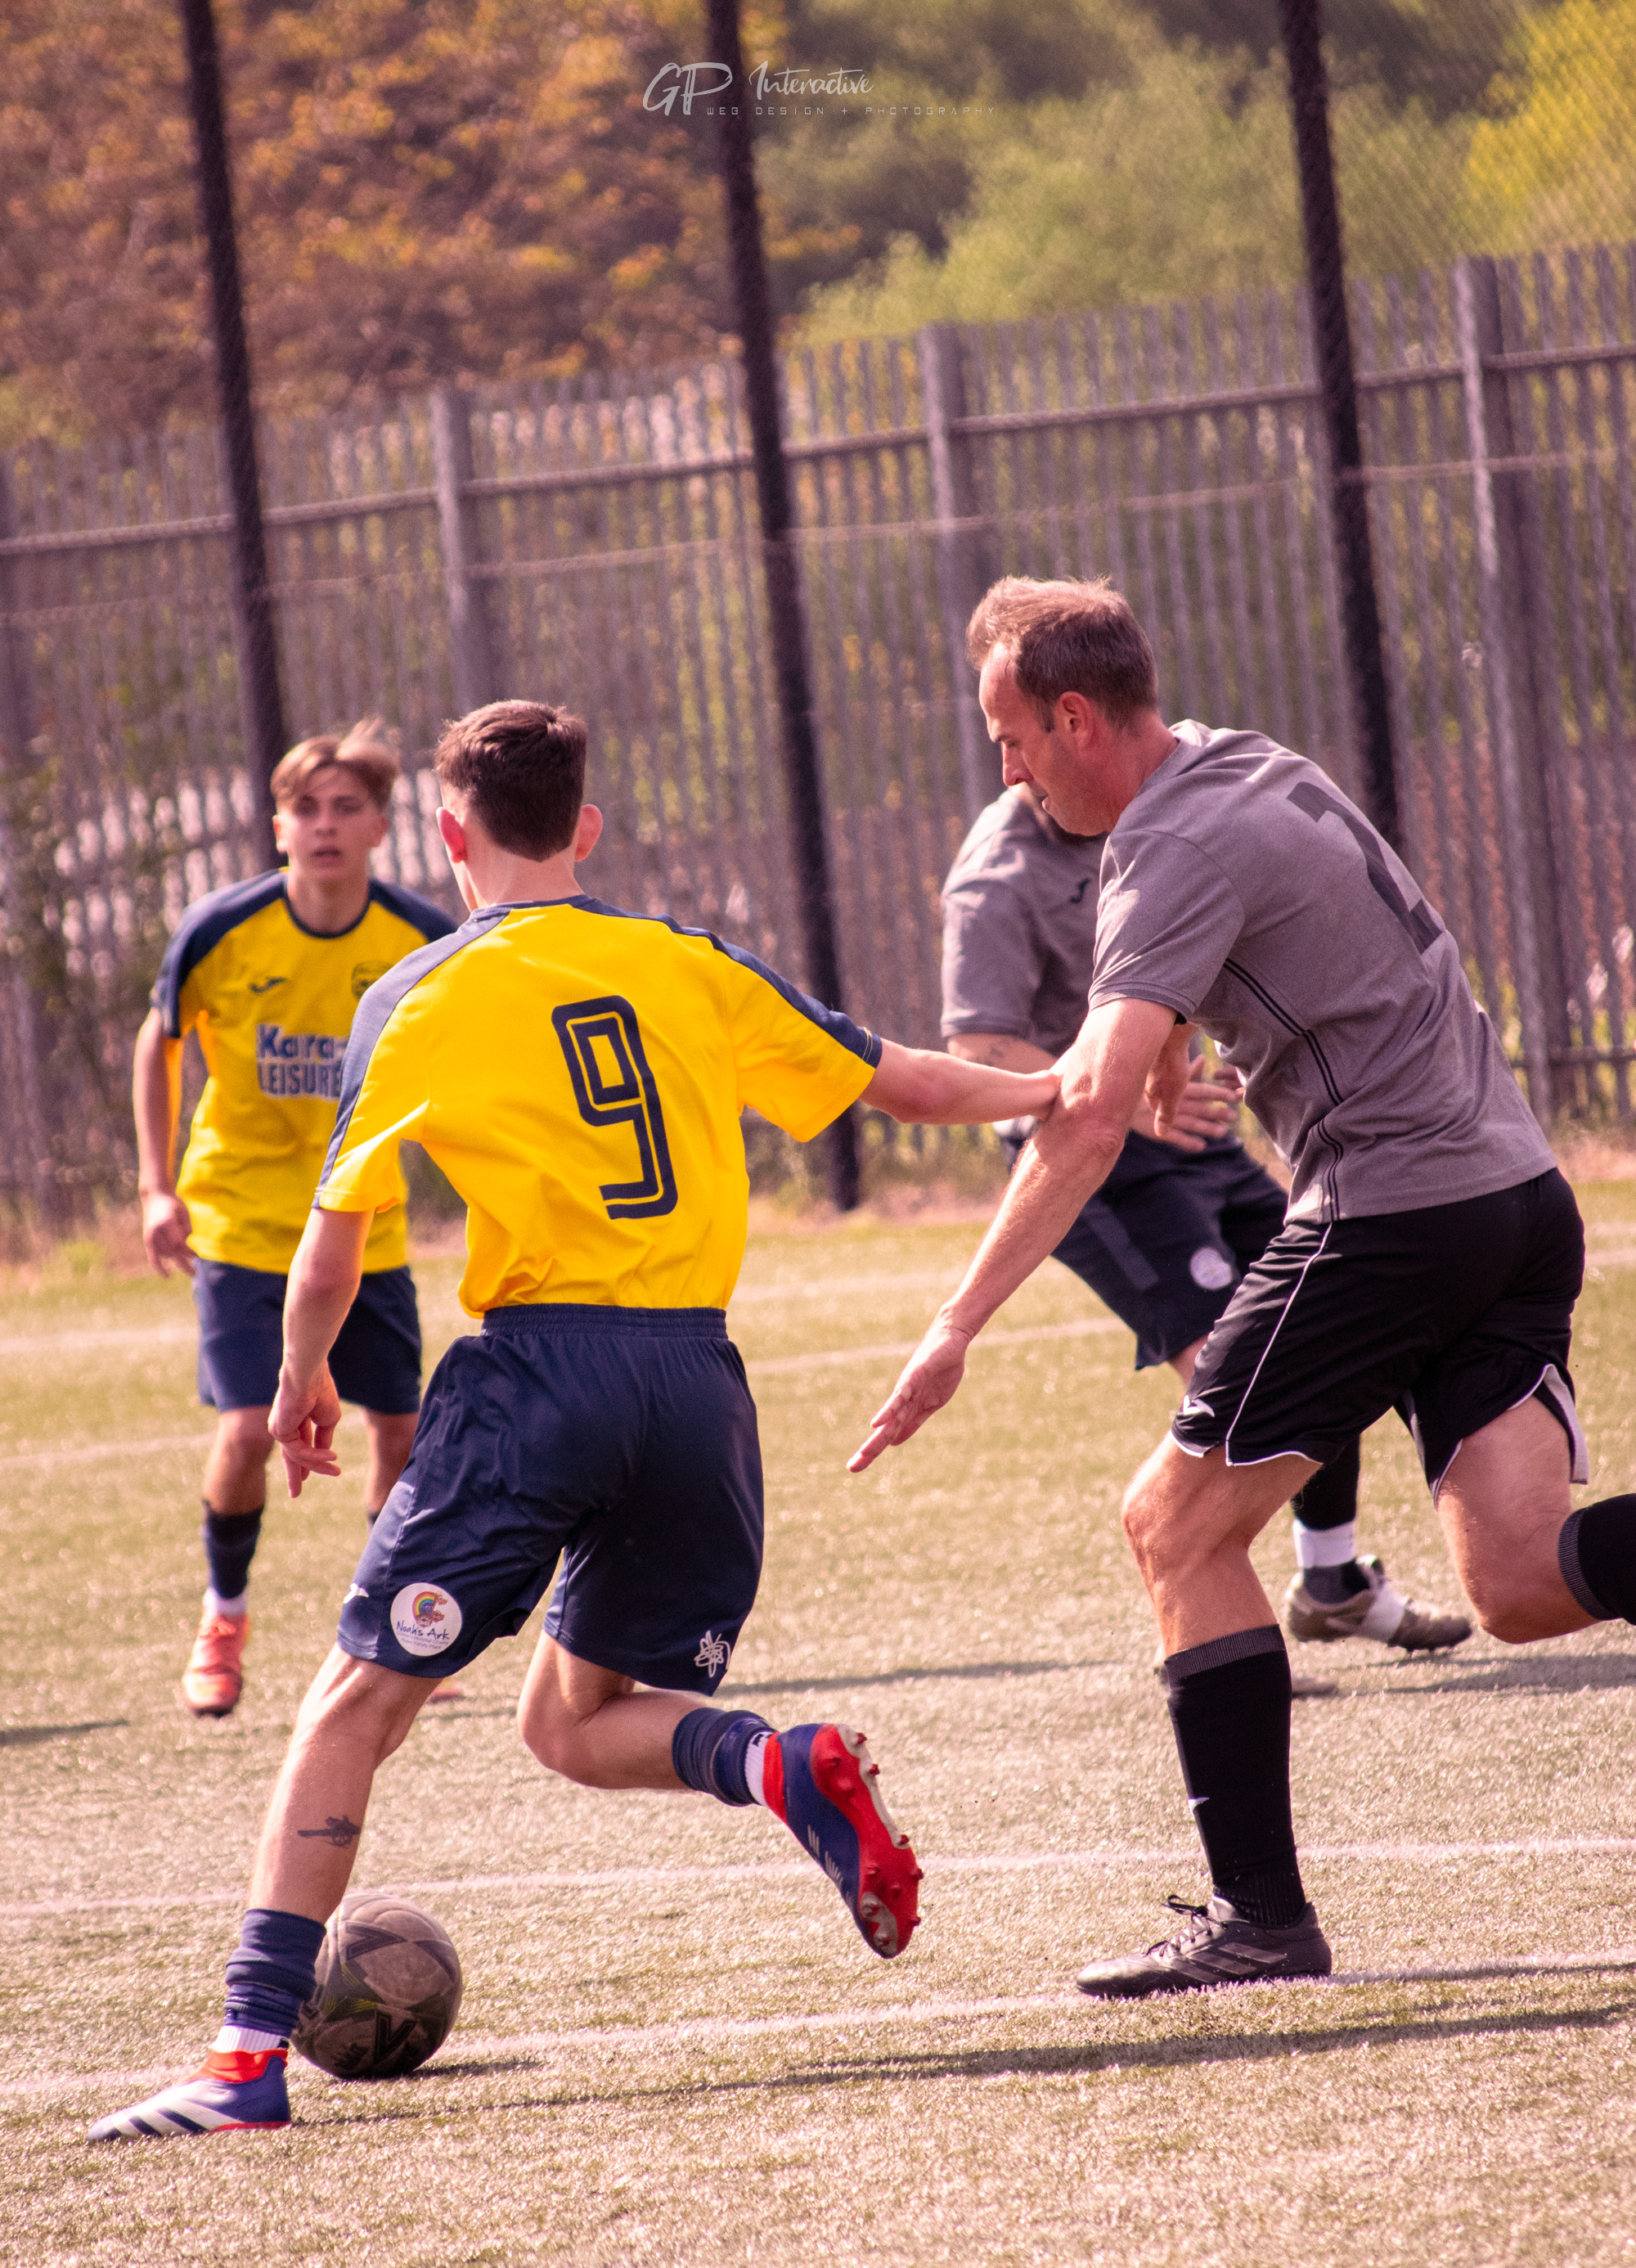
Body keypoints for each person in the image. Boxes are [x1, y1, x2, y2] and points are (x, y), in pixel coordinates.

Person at [91, 696, 1062, 2141]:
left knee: (354, 1706)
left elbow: (336, 1239)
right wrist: (1067, 1085)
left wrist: (303, 1376)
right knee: (567, 1719)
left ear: (449, 833)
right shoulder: (685, 960)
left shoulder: (415, 991)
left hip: (538, 1378)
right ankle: (770, 1761)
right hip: (695, 1389)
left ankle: (243, 2057)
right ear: (587, 828)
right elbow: (900, 1081)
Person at [854, 577, 1627, 1997]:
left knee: (1170, 1528)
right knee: (1520, 1582)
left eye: (1011, 738)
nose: (1006, 772)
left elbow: (1078, 1125)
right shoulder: (1245, 758)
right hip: (1515, 1197)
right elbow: (1202, 966)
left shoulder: (1165, 840)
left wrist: (952, 1327)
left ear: (1075, 717)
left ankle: (1259, 1920)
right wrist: (1150, 1055)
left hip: (1391, 1213)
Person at [940, 778, 1469, 1665]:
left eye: (1018, 737)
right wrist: (1127, 1100)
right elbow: (977, 1048)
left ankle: (1330, 1581)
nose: (1008, 764)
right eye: (1000, 738)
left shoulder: (1148, 810)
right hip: (1091, 1161)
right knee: (1249, 1375)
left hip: (1190, 1134)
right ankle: (1209, 1625)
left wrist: (1173, 1066)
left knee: (1319, 1326)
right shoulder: (996, 878)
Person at [133, 722, 456, 1719]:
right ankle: (222, 1620)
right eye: (305, 808)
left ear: (379, 825)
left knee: (397, 1428)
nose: (323, 826)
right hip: (241, 1218)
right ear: (278, 826)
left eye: (344, 807)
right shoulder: (220, 930)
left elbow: (459, 1061)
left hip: (368, 1222)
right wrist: (157, 1184)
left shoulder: (417, 936)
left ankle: (386, 1623)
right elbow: (160, 1042)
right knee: (245, 1431)